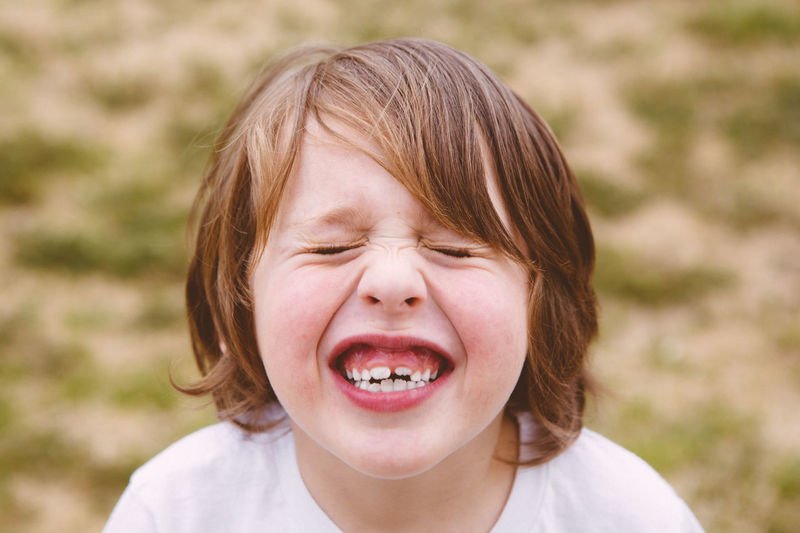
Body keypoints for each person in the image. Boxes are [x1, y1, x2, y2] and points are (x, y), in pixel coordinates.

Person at [103, 38, 703, 532]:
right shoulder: (177, 512)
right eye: (329, 247)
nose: (392, 282)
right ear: (240, 302)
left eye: (454, 247)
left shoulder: (628, 517)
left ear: (541, 303)